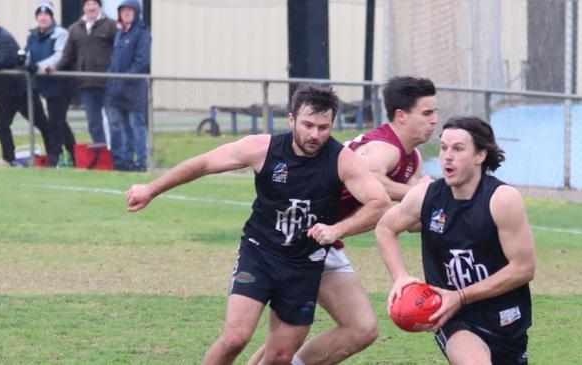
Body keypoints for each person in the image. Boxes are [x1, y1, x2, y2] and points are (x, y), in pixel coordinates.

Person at [126, 84, 392, 365]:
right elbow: (203, 164)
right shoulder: (263, 149)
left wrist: (337, 230)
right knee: (234, 339)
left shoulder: (341, 160)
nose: (315, 135)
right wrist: (151, 189)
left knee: (280, 357)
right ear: (291, 119)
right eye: (308, 125)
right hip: (259, 254)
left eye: (323, 127)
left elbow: (380, 203)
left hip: (304, 265)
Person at [248, 76, 438, 365]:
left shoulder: (411, 159)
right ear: (401, 115)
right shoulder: (385, 149)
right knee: (353, 328)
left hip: (326, 239)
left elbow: (403, 218)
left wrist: (440, 211)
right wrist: (420, 192)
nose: (434, 120)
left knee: (334, 331)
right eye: (427, 113)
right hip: (302, 239)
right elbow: (374, 183)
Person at [375, 116, 535, 365]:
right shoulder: (426, 196)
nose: (447, 156)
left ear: (480, 156)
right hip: (453, 317)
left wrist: (460, 295)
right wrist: (400, 276)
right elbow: (385, 227)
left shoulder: (502, 199)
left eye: (458, 149)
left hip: (505, 318)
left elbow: (523, 269)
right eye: (443, 147)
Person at [0, 9, 57, 166]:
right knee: (2, 125)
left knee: (42, 124)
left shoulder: (5, 39)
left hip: (22, 91)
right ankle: (10, 159)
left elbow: (1, 62)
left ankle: (54, 157)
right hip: (3, 95)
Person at [47, 0, 116, 144]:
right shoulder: (74, 29)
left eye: (94, 4)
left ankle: (118, 157)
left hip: (108, 84)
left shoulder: (111, 26)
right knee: (93, 124)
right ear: (83, 7)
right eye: (88, 4)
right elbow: (67, 55)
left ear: (99, 6)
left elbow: (118, 52)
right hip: (86, 85)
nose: (91, 8)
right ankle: (101, 155)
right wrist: (55, 67)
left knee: (114, 122)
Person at [25, 0, 76, 164]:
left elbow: (59, 56)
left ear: (51, 16)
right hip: (45, 85)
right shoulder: (32, 35)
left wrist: (37, 66)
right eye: (40, 14)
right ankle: (73, 152)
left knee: (56, 121)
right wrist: (24, 61)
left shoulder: (60, 33)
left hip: (60, 85)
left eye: (46, 14)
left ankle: (55, 156)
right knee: (59, 121)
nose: (43, 17)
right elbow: (27, 54)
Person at [105, 0, 151, 171]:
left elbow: (142, 61)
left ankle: (140, 162)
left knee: (136, 125)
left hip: (134, 90)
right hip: (116, 91)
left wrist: (124, 78)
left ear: (136, 12)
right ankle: (125, 160)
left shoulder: (142, 33)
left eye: (129, 10)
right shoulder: (119, 33)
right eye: (123, 10)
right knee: (121, 127)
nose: (126, 13)